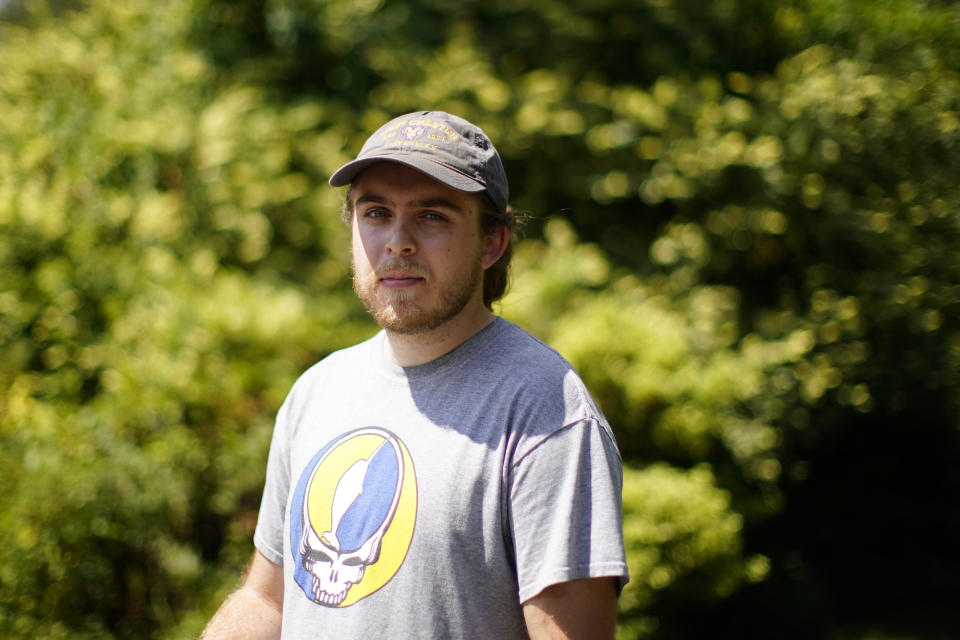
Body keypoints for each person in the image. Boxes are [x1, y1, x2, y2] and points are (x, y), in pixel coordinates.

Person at [201, 111, 628, 639]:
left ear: (492, 243)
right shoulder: (317, 392)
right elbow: (267, 602)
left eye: (432, 217)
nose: (398, 241)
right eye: (376, 212)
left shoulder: (545, 407)